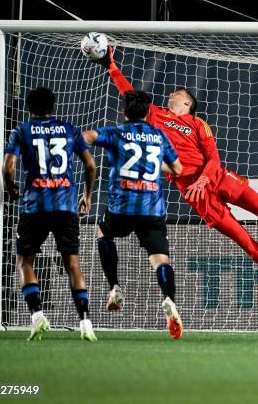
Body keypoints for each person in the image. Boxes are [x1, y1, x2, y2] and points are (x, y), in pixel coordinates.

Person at [94, 47, 258, 278]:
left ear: (187, 103)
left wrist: (203, 180)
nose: (170, 95)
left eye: (176, 93)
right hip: (197, 195)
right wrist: (112, 67)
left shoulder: (197, 123)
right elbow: (129, 94)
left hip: (218, 179)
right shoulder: (157, 115)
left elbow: (214, 158)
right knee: (243, 240)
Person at [81, 90, 184, 340]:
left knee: (103, 232)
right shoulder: (159, 135)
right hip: (152, 210)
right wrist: (153, 165)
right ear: (149, 113)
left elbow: (86, 137)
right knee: (160, 260)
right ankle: (168, 299)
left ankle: (115, 286)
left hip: (121, 208)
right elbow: (178, 169)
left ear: (124, 112)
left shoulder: (115, 132)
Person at [3, 87, 97, 341]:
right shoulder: (69, 129)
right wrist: (87, 196)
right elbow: (90, 165)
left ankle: (37, 316)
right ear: (53, 106)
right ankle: (86, 322)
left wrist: (10, 187)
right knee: (73, 265)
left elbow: (9, 166)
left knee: (25, 261)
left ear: (29, 107)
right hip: (66, 205)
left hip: (35, 206)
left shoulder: (22, 130)